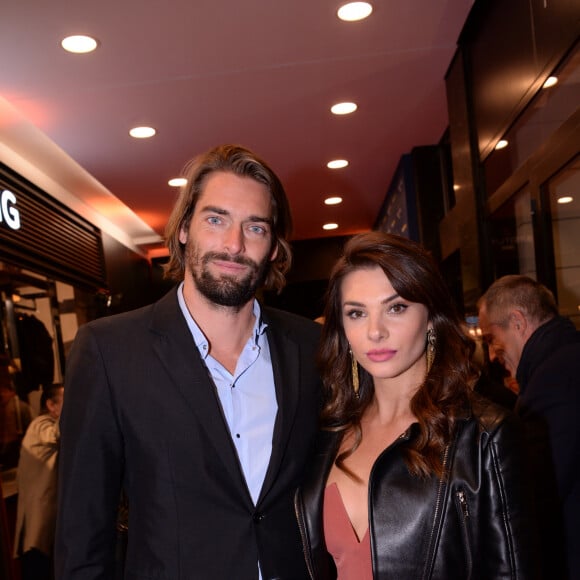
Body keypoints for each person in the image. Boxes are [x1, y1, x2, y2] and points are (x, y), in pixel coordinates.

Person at [55, 144, 321, 579]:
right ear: (183, 230)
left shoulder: (311, 346)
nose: (233, 245)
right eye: (216, 220)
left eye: (254, 228)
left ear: (274, 247)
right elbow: (81, 533)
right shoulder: (109, 350)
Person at [295, 232, 537, 579]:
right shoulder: (328, 431)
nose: (375, 331)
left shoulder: (485, 435)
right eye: (356, 313)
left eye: (396, 308)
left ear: (430, 318)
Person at [478, 275, 580, 579]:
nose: (493, 355)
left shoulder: (551, 383)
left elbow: (536, 493)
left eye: (491, 339)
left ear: (518, 322)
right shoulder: (567, 362)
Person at [14, 383, 64, 580]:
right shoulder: (40, 425)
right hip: (37, 528)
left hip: (46, 528)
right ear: (51, 405)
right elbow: (56, 435)